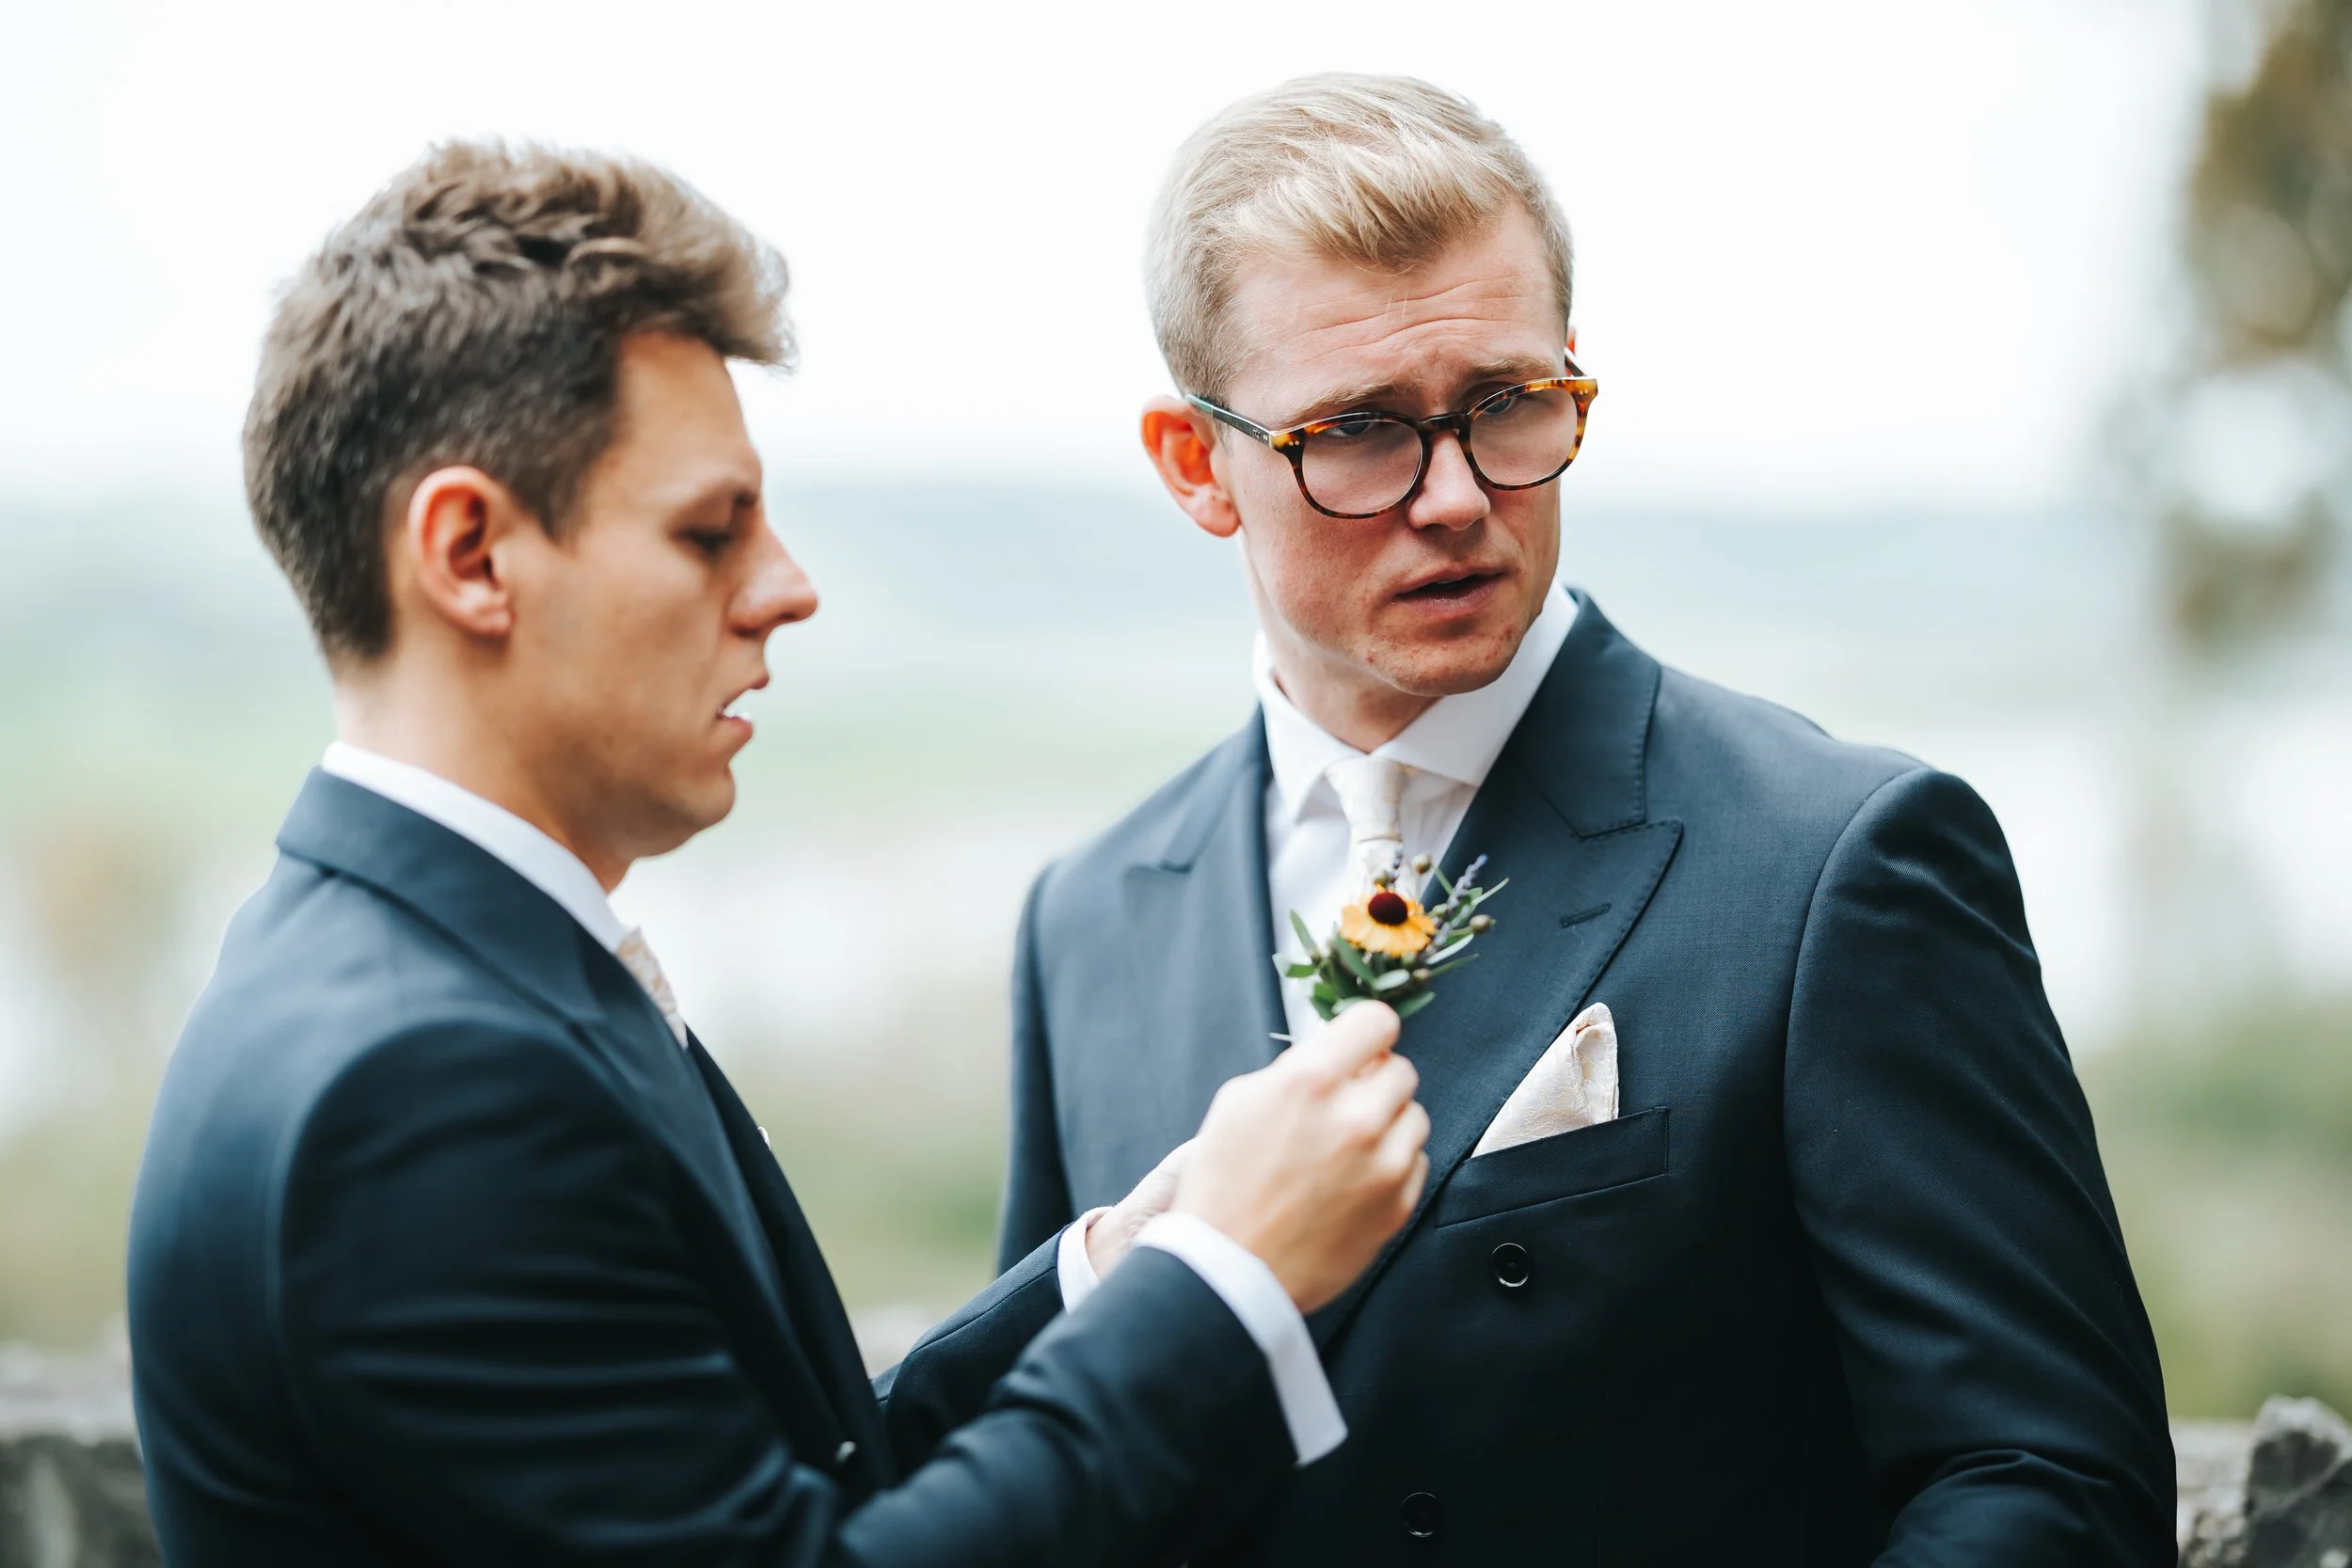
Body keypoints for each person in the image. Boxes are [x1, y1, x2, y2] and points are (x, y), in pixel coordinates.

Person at [125, 140, 1432, 1568]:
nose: (787, 588)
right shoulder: (427, 1086)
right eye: (709, 531)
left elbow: (769, 1484)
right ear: (470, 555)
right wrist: (1224, 1276)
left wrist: (1111, 1272)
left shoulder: (429, 964)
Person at [996, 74, 2177, 1564]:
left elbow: (2047, 1480)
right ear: (1197, 465)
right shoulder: (1089, 916)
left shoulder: (1840, 859)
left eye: (1506, 405)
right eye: (1360, 431)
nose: (1454, 497)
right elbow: (1056, 1476)